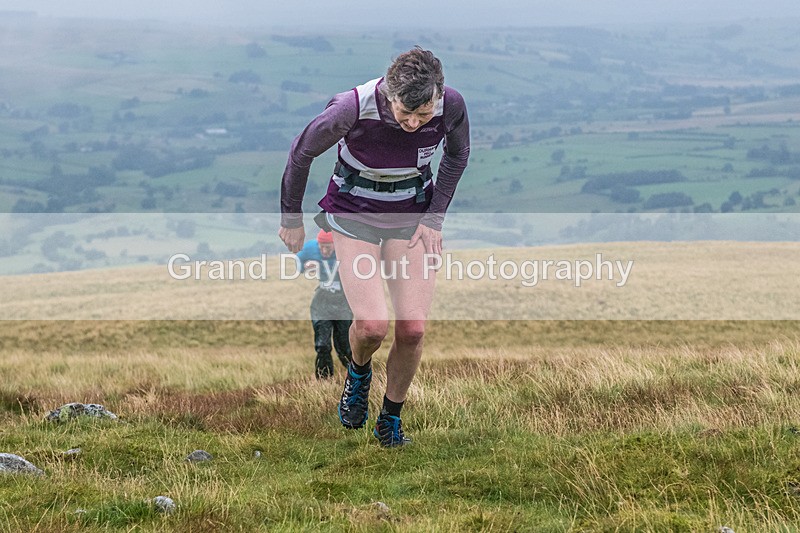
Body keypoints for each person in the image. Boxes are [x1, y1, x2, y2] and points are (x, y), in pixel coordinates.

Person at [278, 46, 470, 447]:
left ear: (438, 96)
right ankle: (359, 373)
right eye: (406, 113)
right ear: (389, 94)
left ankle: (390, 420)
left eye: (424, 115)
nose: (414, 123)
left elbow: (457, 154)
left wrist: (434, 218)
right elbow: (301, 152)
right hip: (354, 214)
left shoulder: (450, 104)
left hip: (412, 215)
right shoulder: (350, 108)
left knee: (413, 329)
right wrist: (291, 218)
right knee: (371, 327)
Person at [295, 229, 353, 379]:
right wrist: (304, 266)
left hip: (343, 302)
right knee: (322, 345)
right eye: (322, 247)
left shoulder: (346, 249)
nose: (324, 251)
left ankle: (357, 378)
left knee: (344, 347)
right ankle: (324, 381)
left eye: (328, 247)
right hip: (322, 301)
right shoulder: (310, 247)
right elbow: (297, 260)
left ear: (335, 244)